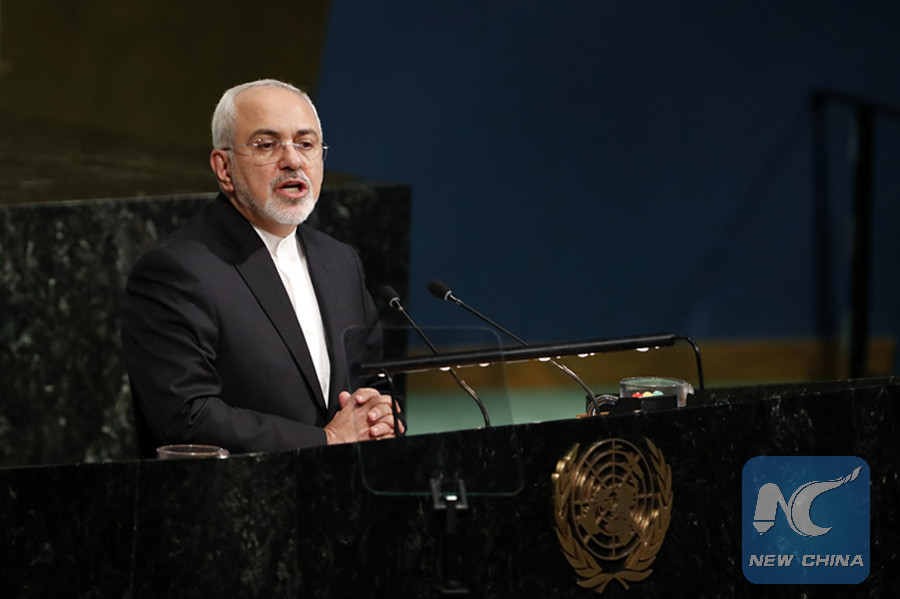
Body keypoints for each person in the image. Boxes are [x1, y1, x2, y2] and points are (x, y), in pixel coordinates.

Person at [121, 79, 399, 457]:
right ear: (224, 168)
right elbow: (186, 416)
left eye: (305, 144)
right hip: (238, 492)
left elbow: (374, 378)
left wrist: (381, 413)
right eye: (266, 145)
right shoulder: (176, 271)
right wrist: (326, 441)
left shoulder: (340, 261)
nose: (293, 160)